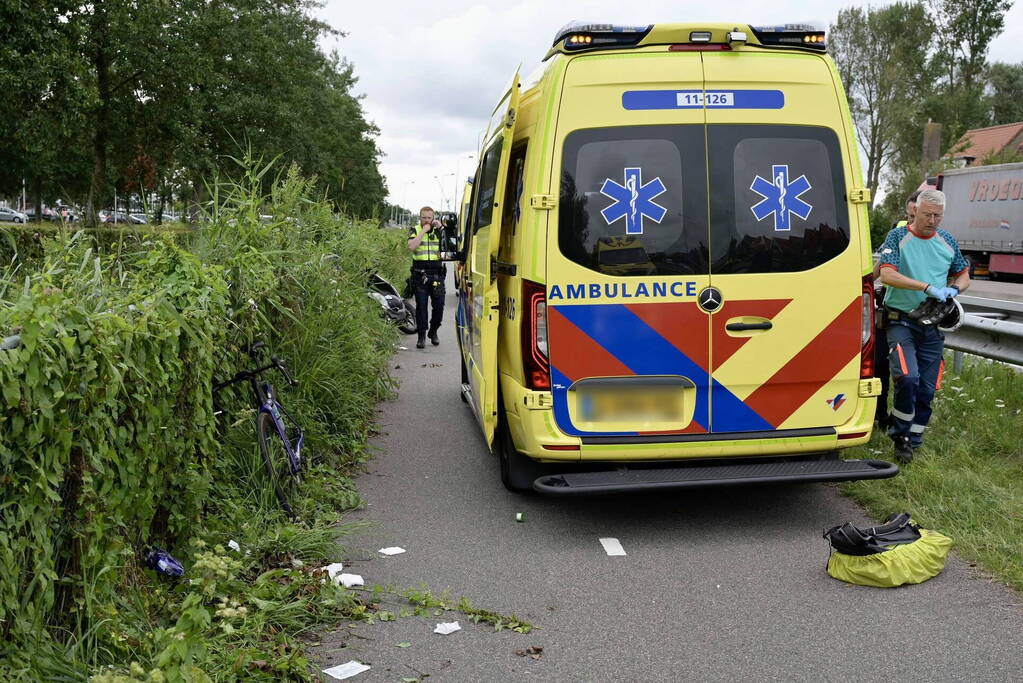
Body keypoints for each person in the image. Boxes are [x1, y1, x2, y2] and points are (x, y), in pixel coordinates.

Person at [877, 189, 969, 463]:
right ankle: (901, 436)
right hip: (902, 321)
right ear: (915, 210)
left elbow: (963, 273)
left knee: (927, 389)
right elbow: (887, 274)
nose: (932, 220)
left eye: (937, 216)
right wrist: (926, 287)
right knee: (907, 378)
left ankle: (915, 438)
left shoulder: (947, 240)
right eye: (927, 214)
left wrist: (954, 290)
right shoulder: (898, 236)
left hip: (931, 325)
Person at [873, 190, 921, 430]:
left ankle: (910, 421)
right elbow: (878, 270)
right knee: (881, 364)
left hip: (922, 314)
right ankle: (881, 415)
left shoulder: (937, 239)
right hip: (891, 311)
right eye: (911, 215)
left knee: (914, 373)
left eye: (918, 215)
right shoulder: (896, 234)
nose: (915, 221)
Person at [407, 206, 446, 349]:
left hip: (437, 275)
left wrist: (441, 228)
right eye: (424, 218)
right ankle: (421, 336)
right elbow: (411, 246)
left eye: (429, 218)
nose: (427, 220)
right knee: (421, 307)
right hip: (420, 275)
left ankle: (433, 331)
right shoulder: (415, 230)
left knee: (439, 307)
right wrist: (423, 231)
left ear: (433, 218)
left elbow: (448, 246)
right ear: (420, 218)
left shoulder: (439, 231)